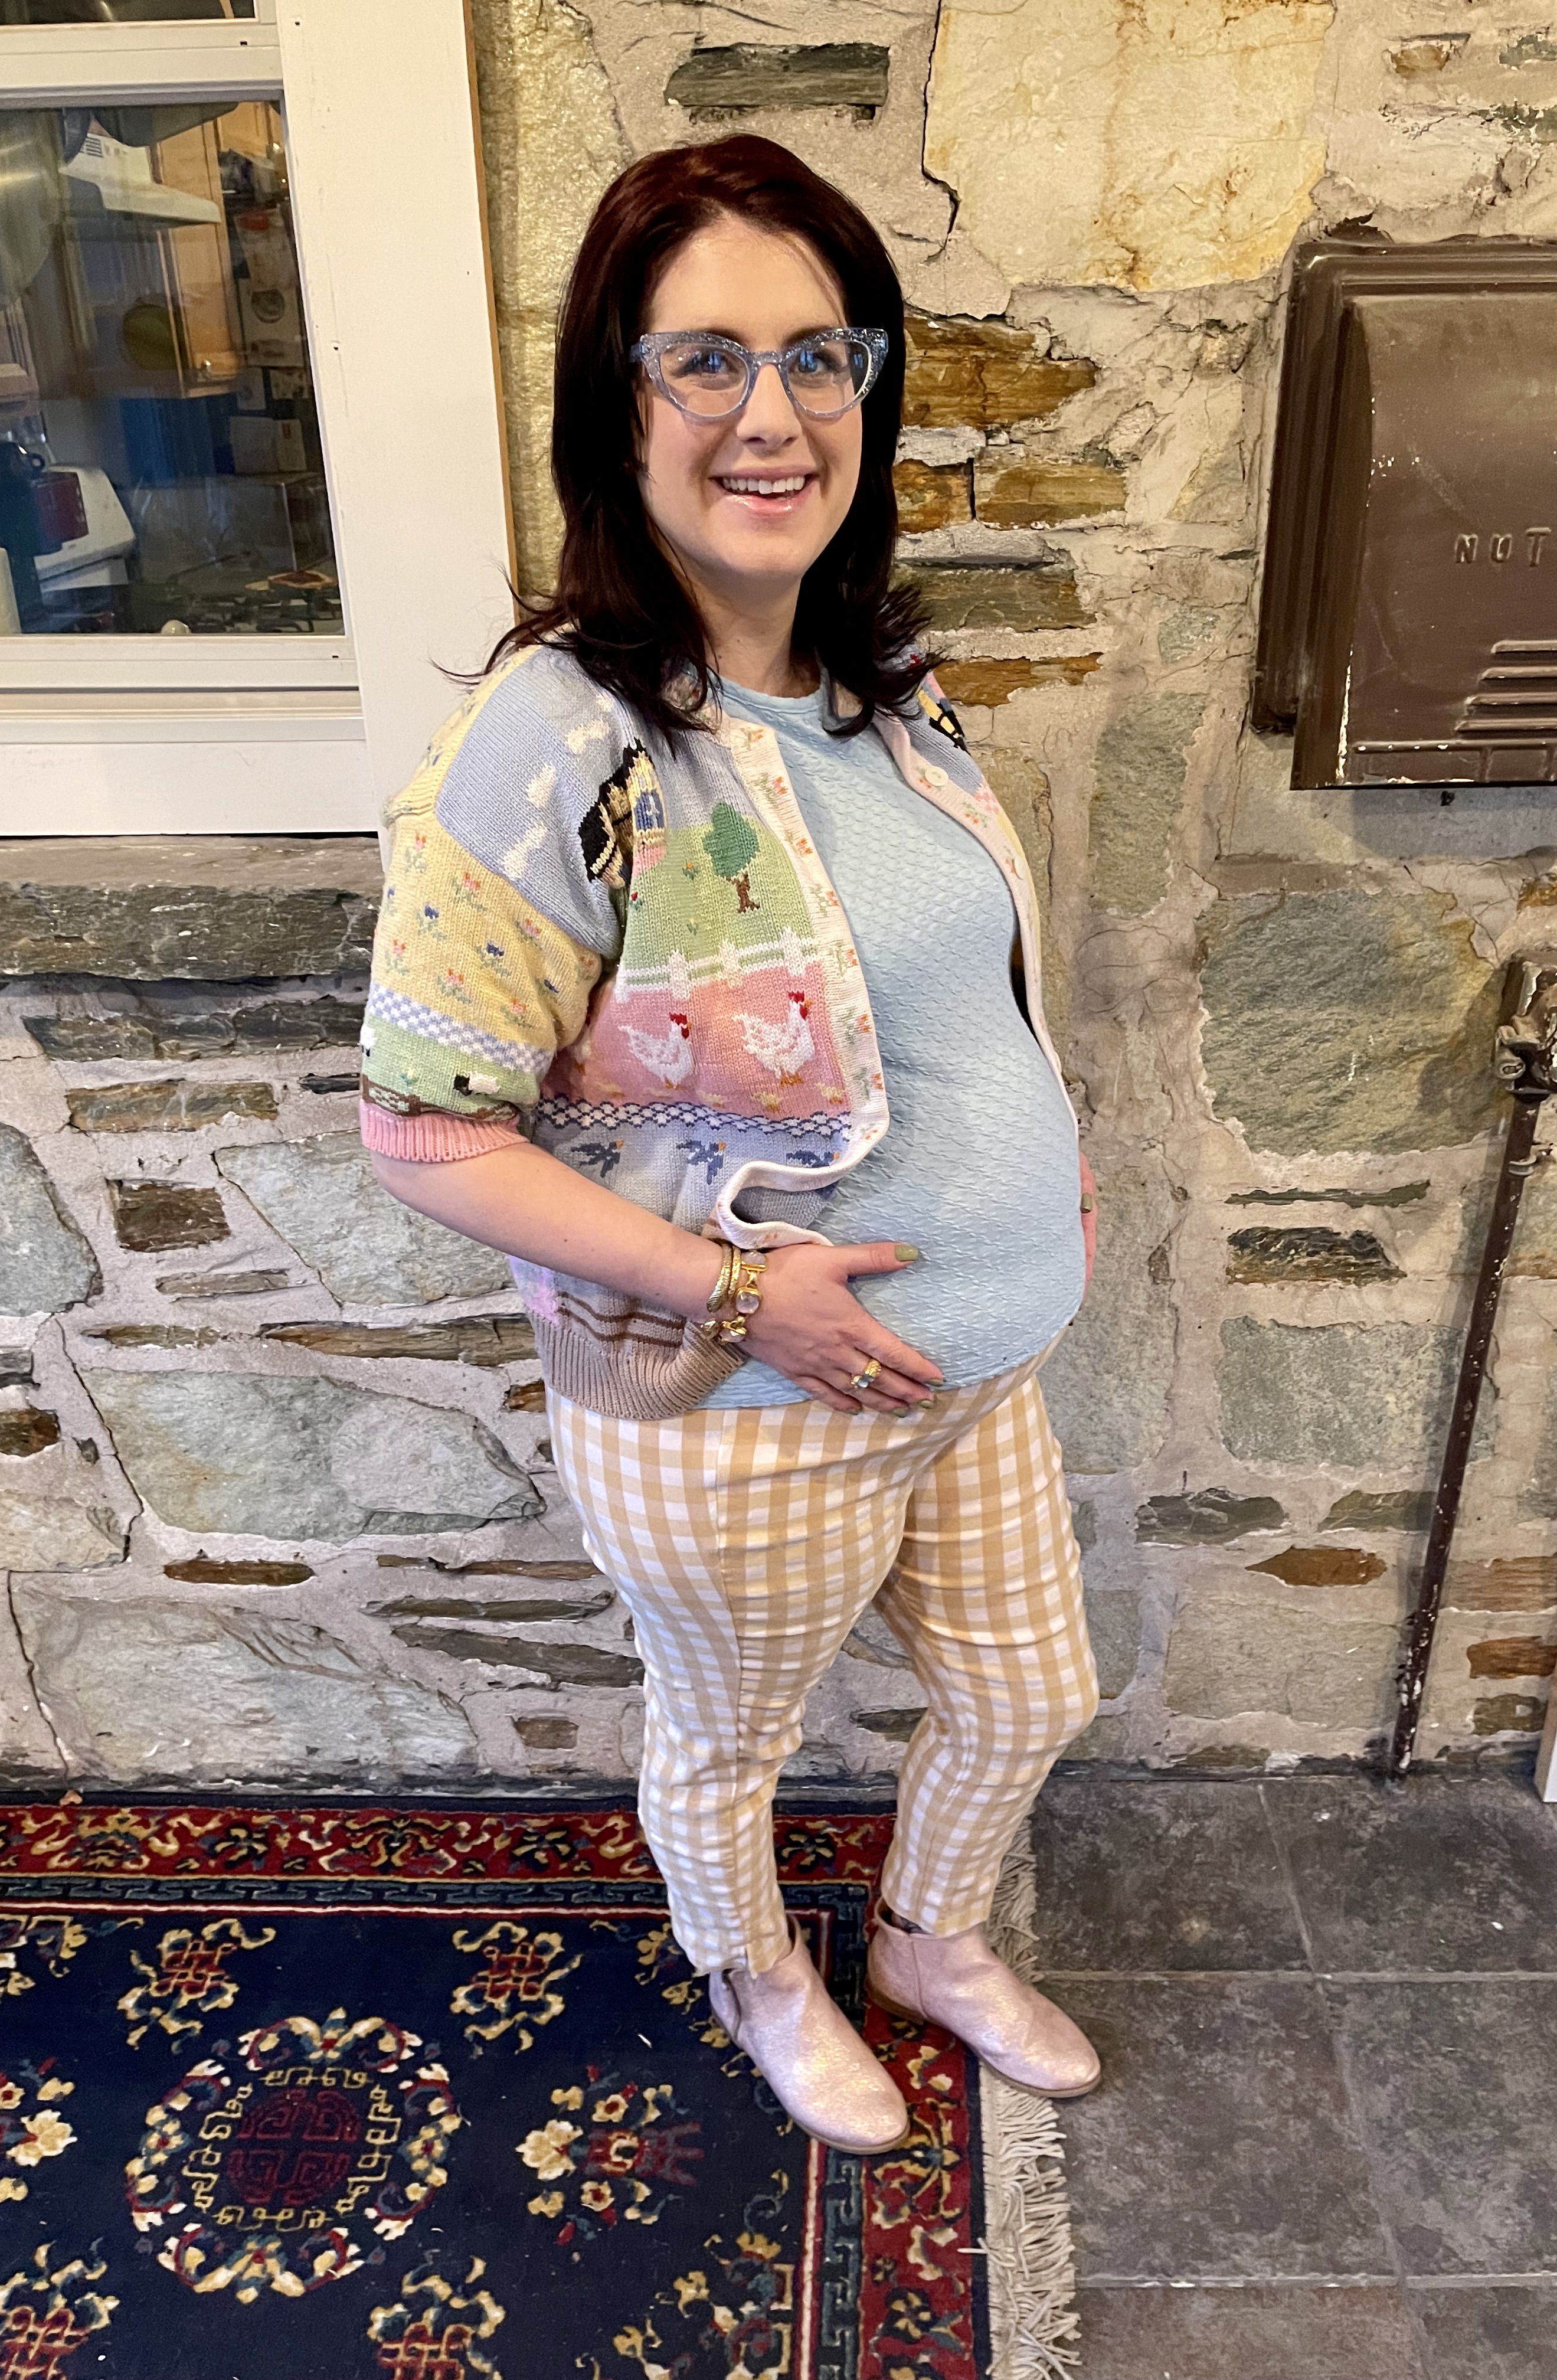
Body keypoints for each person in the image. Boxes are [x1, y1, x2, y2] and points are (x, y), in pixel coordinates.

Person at [362, 134, 1102, 2156]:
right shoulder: (555, 738)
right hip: (746, 1407)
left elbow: (950, 999)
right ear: (616, 407)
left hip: (976, 1367)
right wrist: (739, 1292)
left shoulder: (879, 692)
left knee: (1032, 1695)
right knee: (734, 1745)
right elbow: (424, 1133)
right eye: (704, 360)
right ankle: (762, 1978)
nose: (771, 415)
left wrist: (1044, 1166)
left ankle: (928, 1943)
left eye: (818, 356)